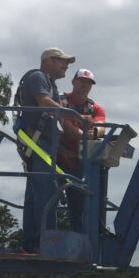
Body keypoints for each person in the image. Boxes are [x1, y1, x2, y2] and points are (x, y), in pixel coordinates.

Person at [18, 47, 73, 254]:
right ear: (49, 61)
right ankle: (48, 243)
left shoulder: (51, 84)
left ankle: (32, 242)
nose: (66, 66)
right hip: (36, 141)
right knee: (47, 191)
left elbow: (58, 116)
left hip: (43, 143)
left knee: (35, 192)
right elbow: (44, 103)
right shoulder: (38, 77)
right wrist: (74, 114)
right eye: (62, 61)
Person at [59, 68, 107, 232]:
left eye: (88, 83)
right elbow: (65, 129)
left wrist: (82, 133)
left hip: (80, 162)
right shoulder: (61, 102)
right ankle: (41, 238)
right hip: (57, 157)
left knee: (78, 201)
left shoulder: (96, 109)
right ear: (73, 82)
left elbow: (100, 132)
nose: (85, 85)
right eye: (81, 81)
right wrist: (85, 133)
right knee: (47, 194)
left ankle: (79, 236)